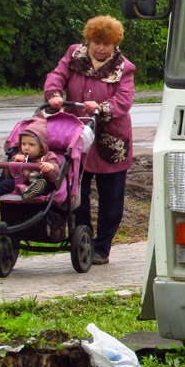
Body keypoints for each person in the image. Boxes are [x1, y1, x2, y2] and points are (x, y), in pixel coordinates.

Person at [44, 16, 135, 265]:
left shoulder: (124, 67)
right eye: (96, 42)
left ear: (115, 44)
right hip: (76, 139)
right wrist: (53, 95)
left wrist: (102, 106)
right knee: (76, 195)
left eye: (106, 43)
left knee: (111, 202)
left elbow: (124, 99)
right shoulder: (74, 55)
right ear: (88, 40)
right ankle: (83, 239)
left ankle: (102, 248)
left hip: (110, 140)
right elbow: (56, 76)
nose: (100, 48)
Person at [0, 118, 60, 202]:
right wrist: (15, 163)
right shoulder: (19, 156)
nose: (26, 148)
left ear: (42, 147)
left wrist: (51, 167)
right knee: (7, 183)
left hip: (37, 182)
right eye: (23, 144)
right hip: (18, 182)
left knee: (42, 186)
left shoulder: (48, 156)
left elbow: (57, 170)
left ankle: (28, 192)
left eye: (31, 145)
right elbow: (7, 175)